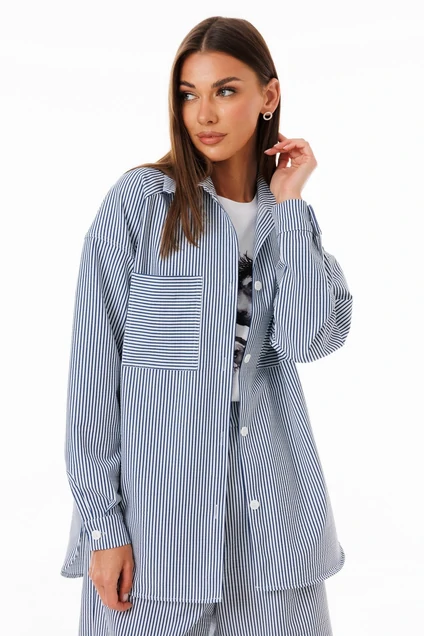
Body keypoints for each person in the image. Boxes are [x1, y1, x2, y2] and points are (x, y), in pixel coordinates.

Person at [60, 15, 353, 636]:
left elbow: (310, 338)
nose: (205, 114)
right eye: (189, 94)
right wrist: (103, 527)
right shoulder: (140, 206)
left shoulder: (287, 219)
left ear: (269, 96)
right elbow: (92, 378)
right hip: (157, 539)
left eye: (225, 90)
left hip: (274, 534)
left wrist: (291, 203)